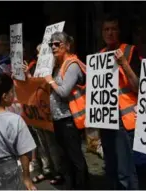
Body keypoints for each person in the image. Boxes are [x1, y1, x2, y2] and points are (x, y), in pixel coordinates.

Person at [98, 13, 142, 190]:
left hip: (124, 118)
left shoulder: (130, 51)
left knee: (126, 169)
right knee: (110, 166)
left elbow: (139, 87)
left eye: (113, 29)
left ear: (120, 32)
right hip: (105, 117)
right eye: (106, 29)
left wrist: (124, 64)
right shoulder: (99, 55)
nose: (110, 33)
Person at [43, 31, 89, 189]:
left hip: (69, 118)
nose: (53, 47)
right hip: (59, 118)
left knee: (75, 157)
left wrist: (50, 81)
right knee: (66, 157)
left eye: (57, 44)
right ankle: (72, 185)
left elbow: (64, 91)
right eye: (51, 44)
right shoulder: (58, 65)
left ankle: (82, 186)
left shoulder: (72, 65)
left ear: (67, 46)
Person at [22, 43, 64, 185]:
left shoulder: (53, 68)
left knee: (52, 143)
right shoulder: (35, 68)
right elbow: (32, 85)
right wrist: (27, 74)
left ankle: (58, 171)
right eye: (37, 53)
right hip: (37, 111)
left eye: (41, 53)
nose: (38, 55)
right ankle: (47, 170)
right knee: (41, 143)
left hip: (48, 111)